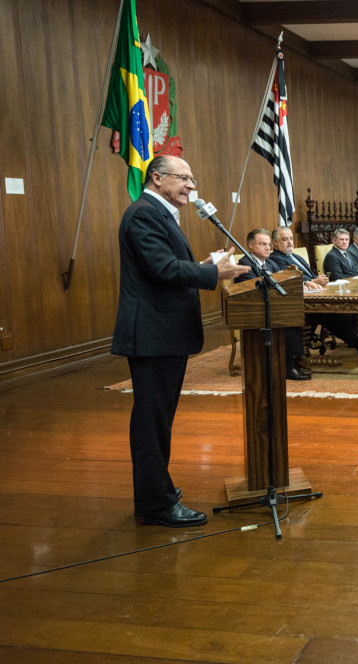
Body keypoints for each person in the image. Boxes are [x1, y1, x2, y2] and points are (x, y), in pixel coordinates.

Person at [112, 155, 249, 528]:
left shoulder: (157, 214)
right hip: (154, 335)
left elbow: (166, 267)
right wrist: (211, 272)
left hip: (163, 334)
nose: (192, 186)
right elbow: (163, 269)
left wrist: (206, 264)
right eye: (184, 178)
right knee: (152, 421)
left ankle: (156, 493)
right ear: (157, 178)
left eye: (192, 179)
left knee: (157, 418)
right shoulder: (144, 214)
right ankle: (157, 503)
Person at [238, 228, 311, 381]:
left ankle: (294, 360)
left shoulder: (270, 263)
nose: (267, 248)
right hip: (255, 311)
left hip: (274, 307)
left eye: (268, 244)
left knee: (293, 315)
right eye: (262, 244)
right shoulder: (245, 264)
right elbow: (254, 292)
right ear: (251, 245)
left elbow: (284, 283)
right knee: (286, 320)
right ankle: (288, 366)